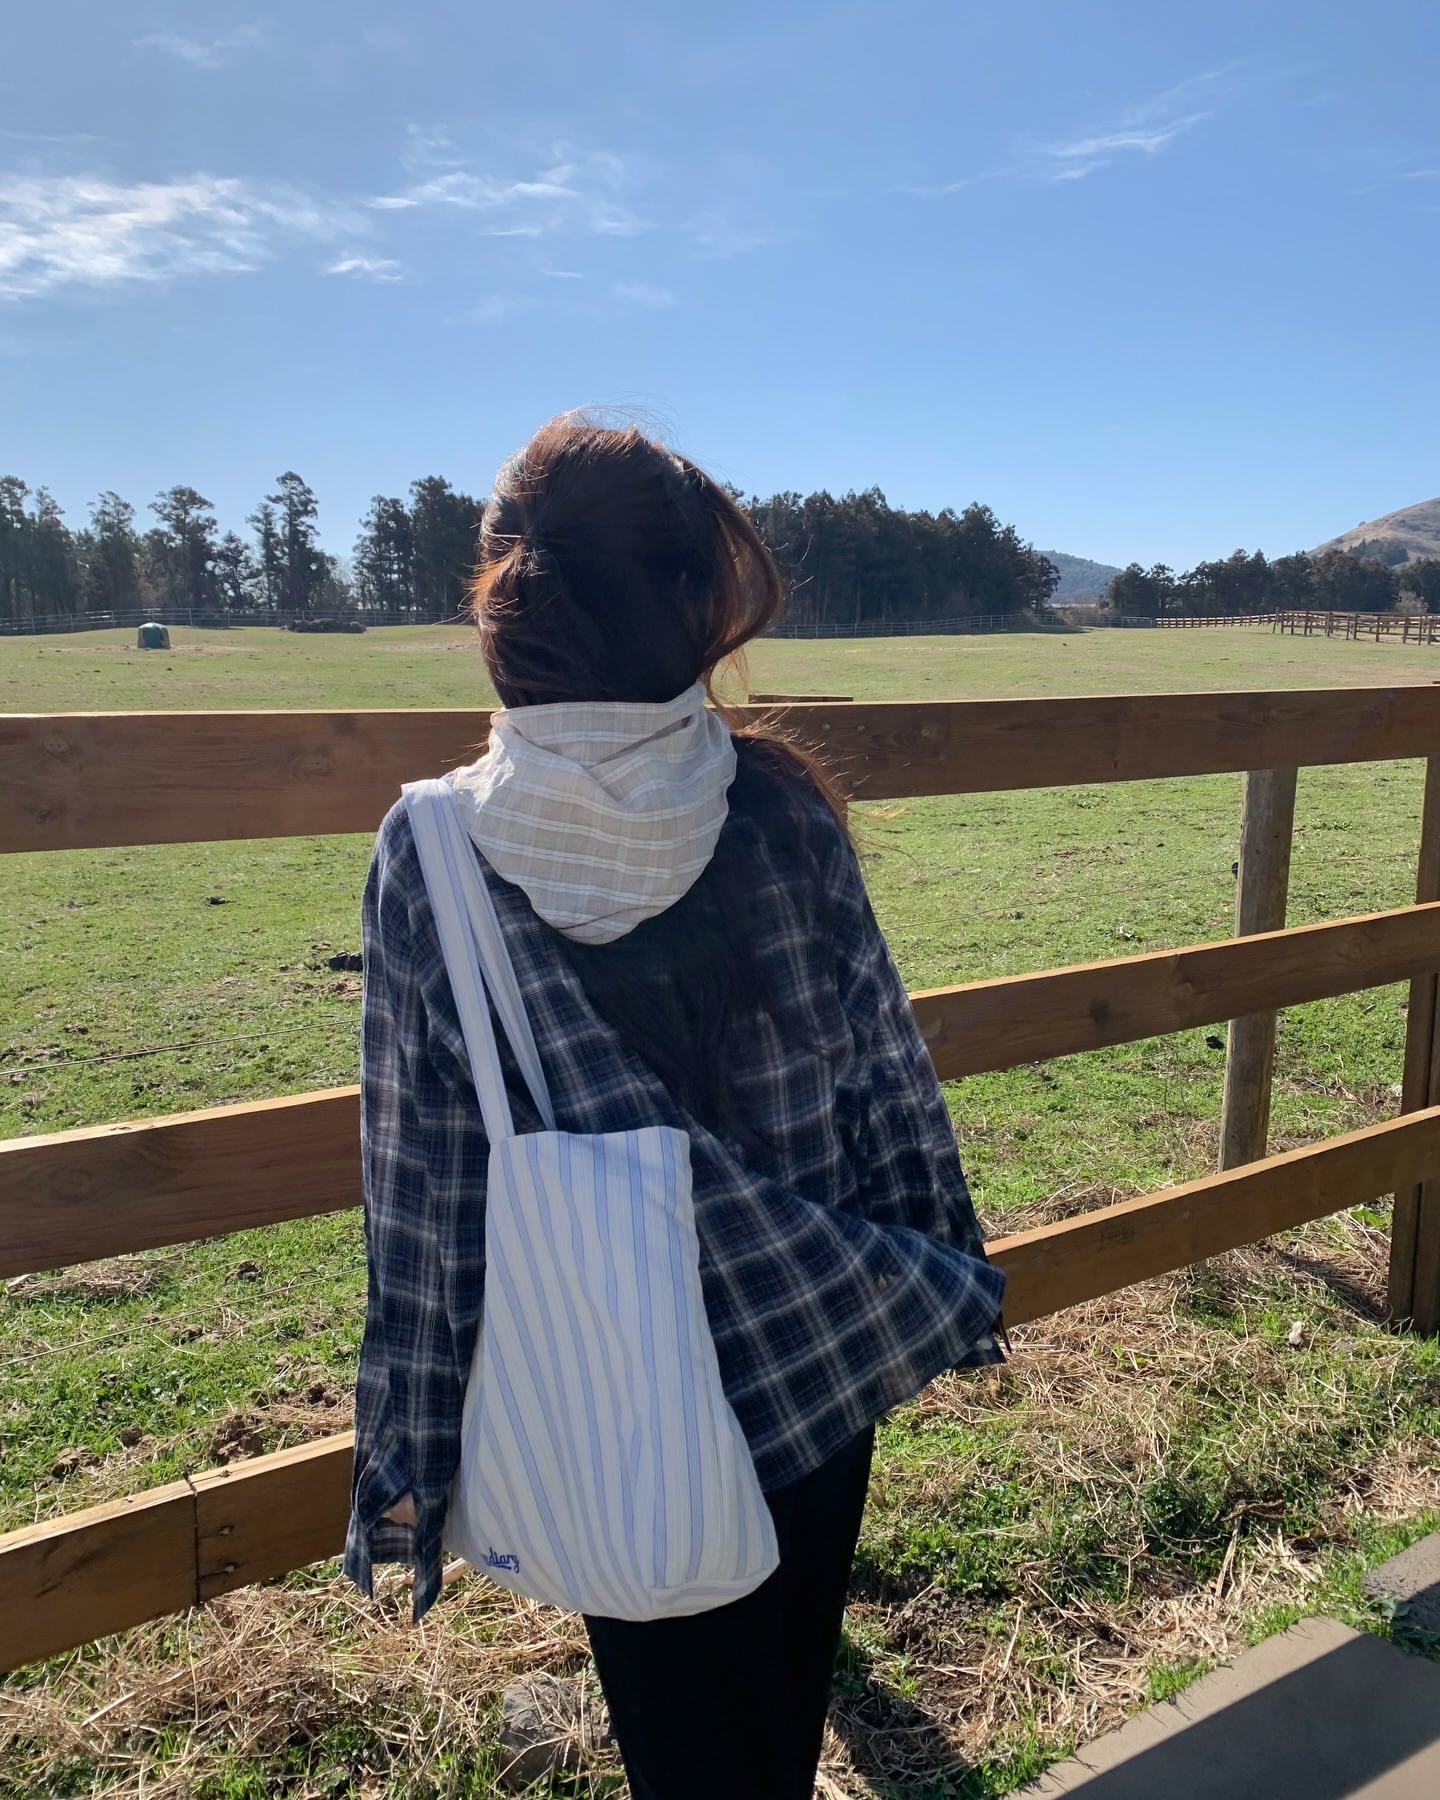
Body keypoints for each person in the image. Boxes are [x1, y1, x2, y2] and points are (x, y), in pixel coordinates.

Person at [343, 415, 1005, 1799]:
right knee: (779, 1708)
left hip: (606, 1372)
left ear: (506, 607)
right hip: (817, 1341)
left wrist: (403, 1471)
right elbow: (884, 1075)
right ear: (695, 602)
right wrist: (941, 1278)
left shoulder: (434, 851)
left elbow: (423, 1204)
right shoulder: (780, 806)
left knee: (681, 1740)